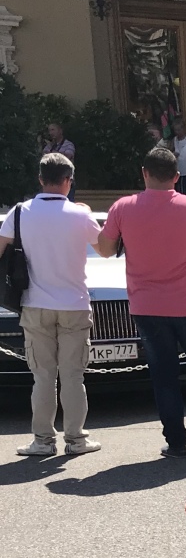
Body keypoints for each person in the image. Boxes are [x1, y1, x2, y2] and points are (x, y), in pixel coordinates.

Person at [96, 146, 186, 458]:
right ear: (177, 177)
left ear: (144, 172)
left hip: (146, 305)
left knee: (164, 375)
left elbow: (104, 249)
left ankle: (176, 441)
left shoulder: (123, 208)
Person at [0, 153, 103, 456]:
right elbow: (106, 249)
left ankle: (43, 440)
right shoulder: (80, 215)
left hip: (35, 304)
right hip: (75, 303)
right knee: (73, 375)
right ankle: (77, 439)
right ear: (69, 182)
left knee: (43, 376)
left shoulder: (18, 213)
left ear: (40, 179)